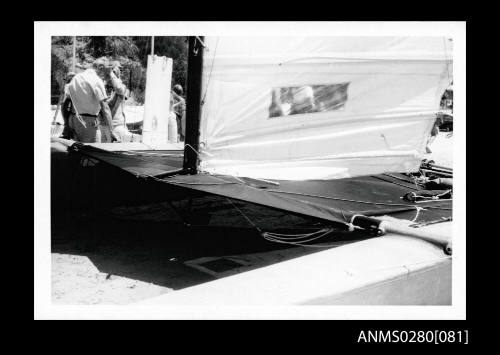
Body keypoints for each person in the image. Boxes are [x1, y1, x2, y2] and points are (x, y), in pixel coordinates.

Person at [65, 59, 116, 143]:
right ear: (100, 67)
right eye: (106, 70)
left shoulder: (76, 78)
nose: (107, 73)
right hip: (87, 122)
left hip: (73, 119)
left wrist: (67, 124)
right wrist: (111, 131)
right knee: (94, 151)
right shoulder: (96, 80)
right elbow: (105, 107)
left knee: (78, 151)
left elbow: (66, 103)